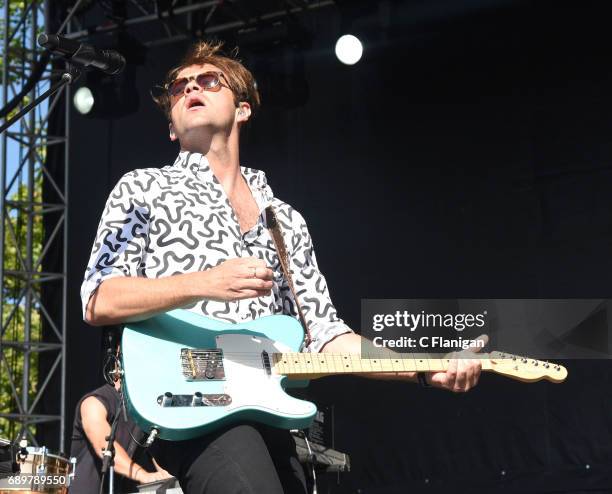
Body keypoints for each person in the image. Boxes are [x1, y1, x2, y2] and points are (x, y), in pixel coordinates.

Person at [80, 40, 485, 494]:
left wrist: (423, 367)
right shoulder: (143, 189)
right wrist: (204, 283)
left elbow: (330, 339)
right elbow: (100, 299)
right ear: (172, 128)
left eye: (209, 80)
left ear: (243, 109)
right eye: (179, 86)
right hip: (184, 399)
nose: (191, 86)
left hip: (264, 409)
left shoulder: (285, 221)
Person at [68, 373, 172, 493]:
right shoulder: (93, 402)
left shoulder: (144, 410)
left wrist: (170, 480)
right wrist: (144, 476)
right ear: (118, 367)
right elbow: (105, 445)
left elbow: (160, 456)